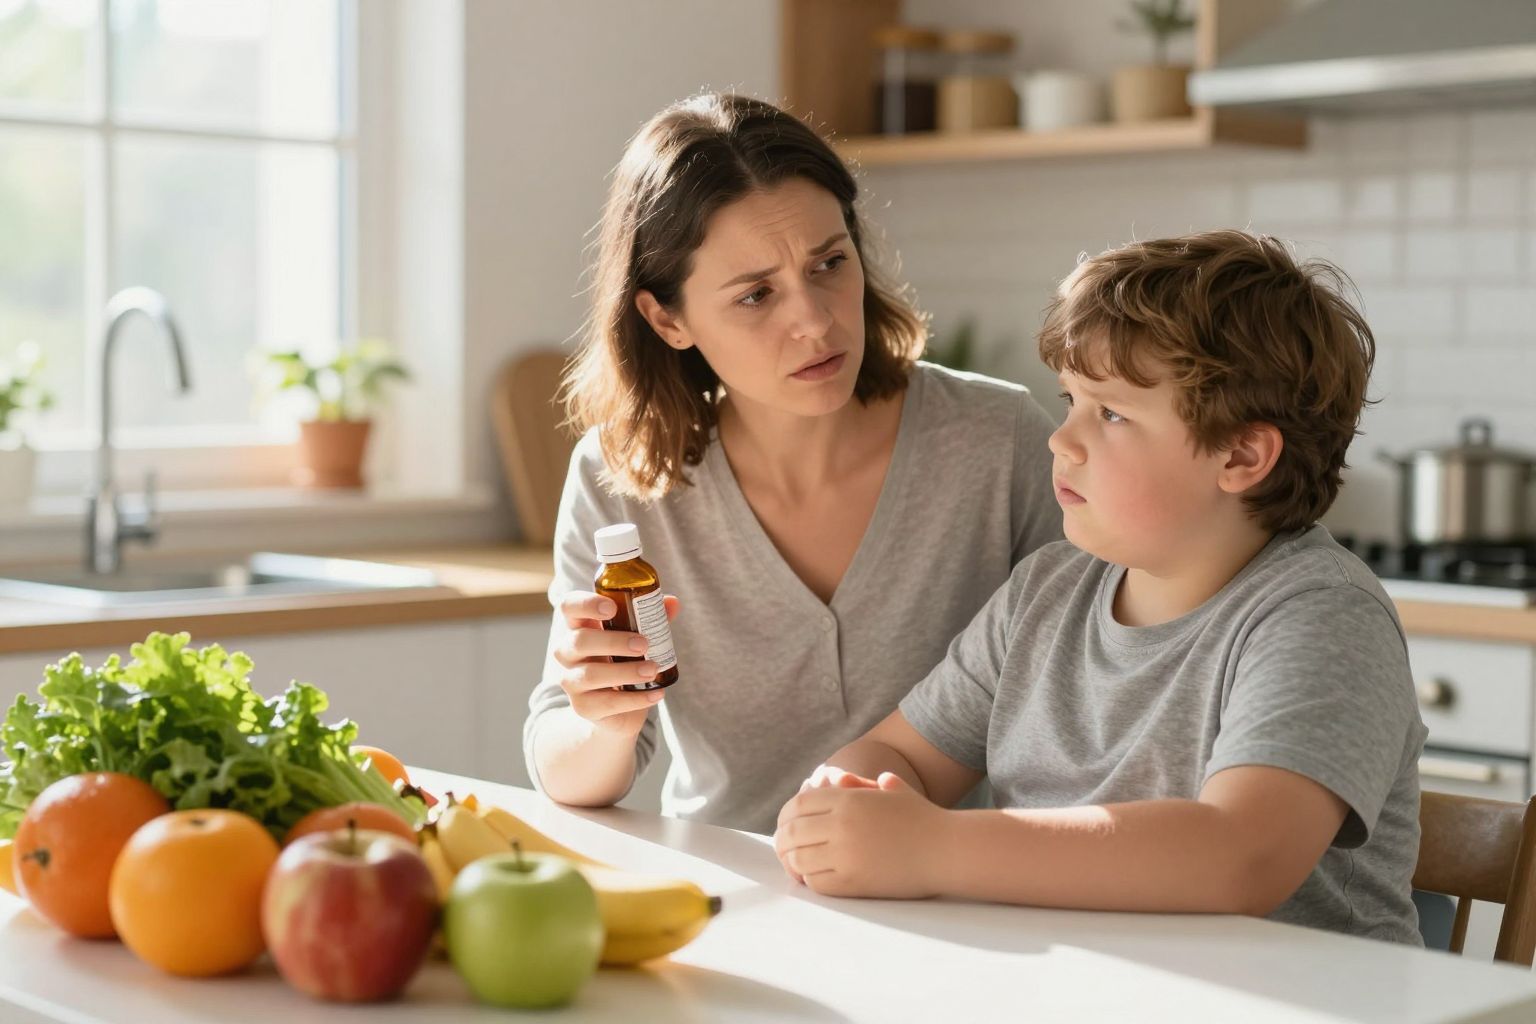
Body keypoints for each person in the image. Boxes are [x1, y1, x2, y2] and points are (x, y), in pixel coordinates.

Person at [774, 229, 1428, 945]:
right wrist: (841, 800)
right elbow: (900, 756)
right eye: (1071, 401)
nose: (1062, 439)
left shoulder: (1320, 616)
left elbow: (1242, 856)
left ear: (1241, 453)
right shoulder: (1046, 592)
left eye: (1111, 414)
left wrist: (933, 848)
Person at [522, 93, 1063, 835]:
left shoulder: (998, 442)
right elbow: (565, 771)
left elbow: (1083, 703)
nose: (815, 320)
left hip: (956, 889)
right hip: (734, 889)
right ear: (667, 318)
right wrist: (605, 722)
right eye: (755, 295)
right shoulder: (621, 477)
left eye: (830, 263)